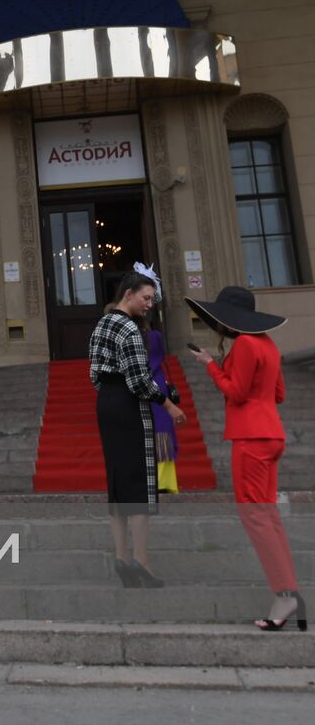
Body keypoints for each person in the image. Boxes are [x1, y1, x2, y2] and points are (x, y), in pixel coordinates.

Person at [186, 287, 306, 632]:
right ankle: (288, 590)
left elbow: (235, 393)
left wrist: (210, 364)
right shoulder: (268, 344)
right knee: (267, 517)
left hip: (251, 438)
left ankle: (285, 595)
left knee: (255, 517)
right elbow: (278, 394)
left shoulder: (245, 345)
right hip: (272, 435)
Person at [88, 271, 187, 589]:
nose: (149, 304)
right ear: (128, 293)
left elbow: (94, 373)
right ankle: (142, 561)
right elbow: (139, 380)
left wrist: (111, 392)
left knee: (117, 481)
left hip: (107, 402)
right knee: (142, 483)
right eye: (146, 297)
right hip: (130, 404)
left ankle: (121, 557)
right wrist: (168, 404)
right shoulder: (128, 327)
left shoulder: (102, 323)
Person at [132, 264, 180, 494]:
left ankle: (146, 480)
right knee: (162, 432)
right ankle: (164, 481)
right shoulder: (155, 337)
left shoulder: (132, 338)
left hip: (139, 390)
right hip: (158, 387)